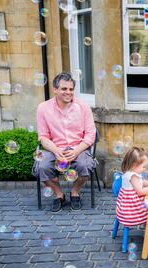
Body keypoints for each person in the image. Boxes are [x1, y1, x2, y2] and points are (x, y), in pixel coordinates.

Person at [32, 72, 97, 212]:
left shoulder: (83, 107)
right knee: (42, 166)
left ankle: (75, 192)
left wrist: (77, 151)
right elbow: (43, 137)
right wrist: (56, 151)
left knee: (85, 164)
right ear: (55, 89)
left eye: (71, 89)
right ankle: (58, 194)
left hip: (78, 147)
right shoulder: (43, 108)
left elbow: (90, 135)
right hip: (53, 148)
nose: (68, 92)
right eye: (64, 89)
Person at [116, 147, 148, 254]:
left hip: (124, 210)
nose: (144, 169)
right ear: (135, 164)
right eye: (143, 166)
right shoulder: (133, 176)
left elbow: (142, 182)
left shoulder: (128, 173)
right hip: (133, 212)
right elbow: (141, 191)